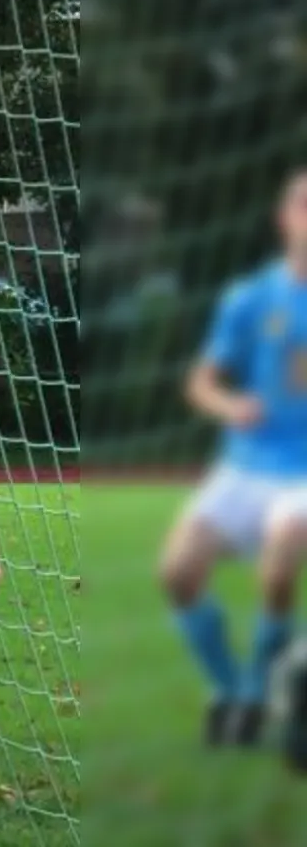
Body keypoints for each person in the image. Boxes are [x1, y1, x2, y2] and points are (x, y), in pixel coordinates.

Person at [159, 168, 307, 747]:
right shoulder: (251, 298)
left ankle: (259, 689)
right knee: (178, 572)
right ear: (284, 218)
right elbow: (200, 381)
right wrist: (229, 404)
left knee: (278, 562)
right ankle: (240, 693)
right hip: (244, 465)